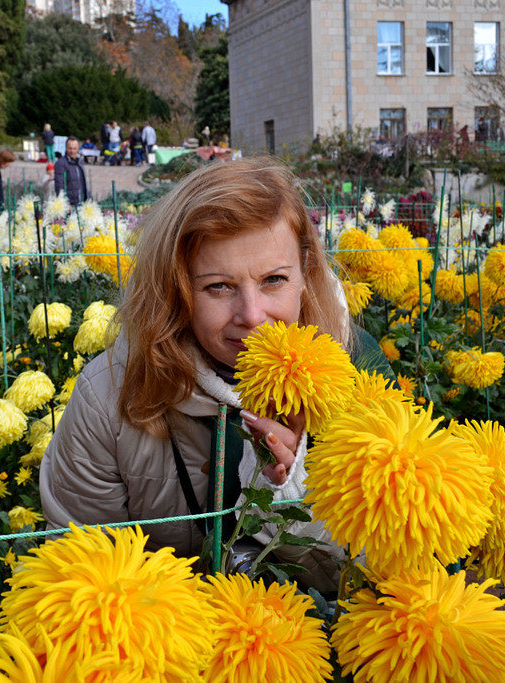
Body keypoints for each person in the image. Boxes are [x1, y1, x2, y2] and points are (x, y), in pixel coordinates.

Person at [40, 158, 394, 594]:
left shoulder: (359, 368)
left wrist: (285, 496)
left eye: (273, 280)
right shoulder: (108, 395)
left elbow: (382, 571)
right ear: (176, 288)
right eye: (218, 287)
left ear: (305, 271)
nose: (252, 316)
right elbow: (82, 573)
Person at [54, 138, 88, 207]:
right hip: (70, 205)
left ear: (78, 149)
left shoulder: (80, 162)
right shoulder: (60, 163)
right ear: (66, 148)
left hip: (81, 202)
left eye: (75, 149)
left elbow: (83, 182)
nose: (72, 151)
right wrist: (65, 204)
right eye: (70, 148)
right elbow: (59, 185)